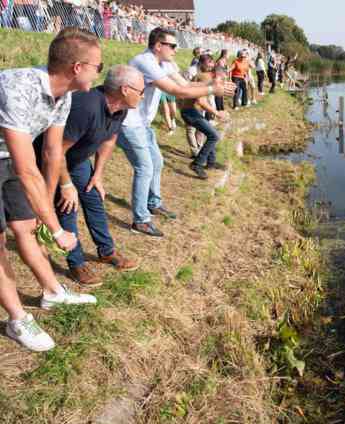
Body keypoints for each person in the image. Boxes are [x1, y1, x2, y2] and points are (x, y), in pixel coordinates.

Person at [0, 27, 100, 352]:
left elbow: (51, 153)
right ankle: (17, 320)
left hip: (10, 157)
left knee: (27, 225)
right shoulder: (17, 87)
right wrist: (57, 230)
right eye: (97, 66)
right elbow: (27, 168)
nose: (100, 72)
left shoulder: (65, 96)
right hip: (13, 157)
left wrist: (46, 212)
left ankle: (52, 293)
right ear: (77, 68)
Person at [117, 27, 235, 238]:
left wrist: (214, 83)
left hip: (142, 124)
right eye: (172, 45)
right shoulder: (145, 62)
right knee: (144, 168)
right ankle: (141, 221)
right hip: (128, 123)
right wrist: (212, 90)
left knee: (157, 162)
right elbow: (177, 91)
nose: (175, 49)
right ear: (158, 46)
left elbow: (186, 83)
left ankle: (153, 203)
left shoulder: (165, 63)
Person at [34, 65, 142, 287]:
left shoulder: (121, 109)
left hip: (78, 161)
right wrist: (65, 185)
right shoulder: (86, 106)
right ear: (124, 89)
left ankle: (107, 251)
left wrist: (98, 175)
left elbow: (109, 139)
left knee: (93, 198)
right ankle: (76, 263)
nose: (143, 95)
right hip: (52, 161)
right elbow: (55, 151)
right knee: (68, 206)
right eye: (140, 90)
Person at [180, 65, 229, 179]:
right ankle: (197, 164)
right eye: (222, 80)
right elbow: (200, 100)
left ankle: (211, 162)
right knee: (214, 136)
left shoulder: (206, 77)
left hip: (193, 111)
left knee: (211, 133)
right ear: (217, 75)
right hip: (190, 112)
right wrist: (217, 113)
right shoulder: (206, 79)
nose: (222, 83)